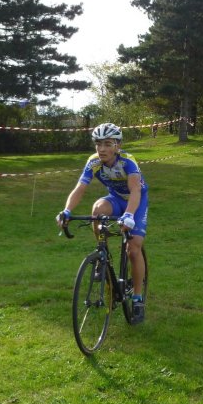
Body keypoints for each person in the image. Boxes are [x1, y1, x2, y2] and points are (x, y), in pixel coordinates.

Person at [56, 123, 148, 324]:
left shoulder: (128, 162)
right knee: (97, 209)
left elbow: (135, 191)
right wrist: (67, 211)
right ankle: (102, 255)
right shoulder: (93, 162)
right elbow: (80, 188)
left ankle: (138, 298)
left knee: (133, 249)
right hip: (115, 198)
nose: (102, 149)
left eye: (108, 144)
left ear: (118, 145)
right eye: (98, 144)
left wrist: (130, 215)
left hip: (136, 201)